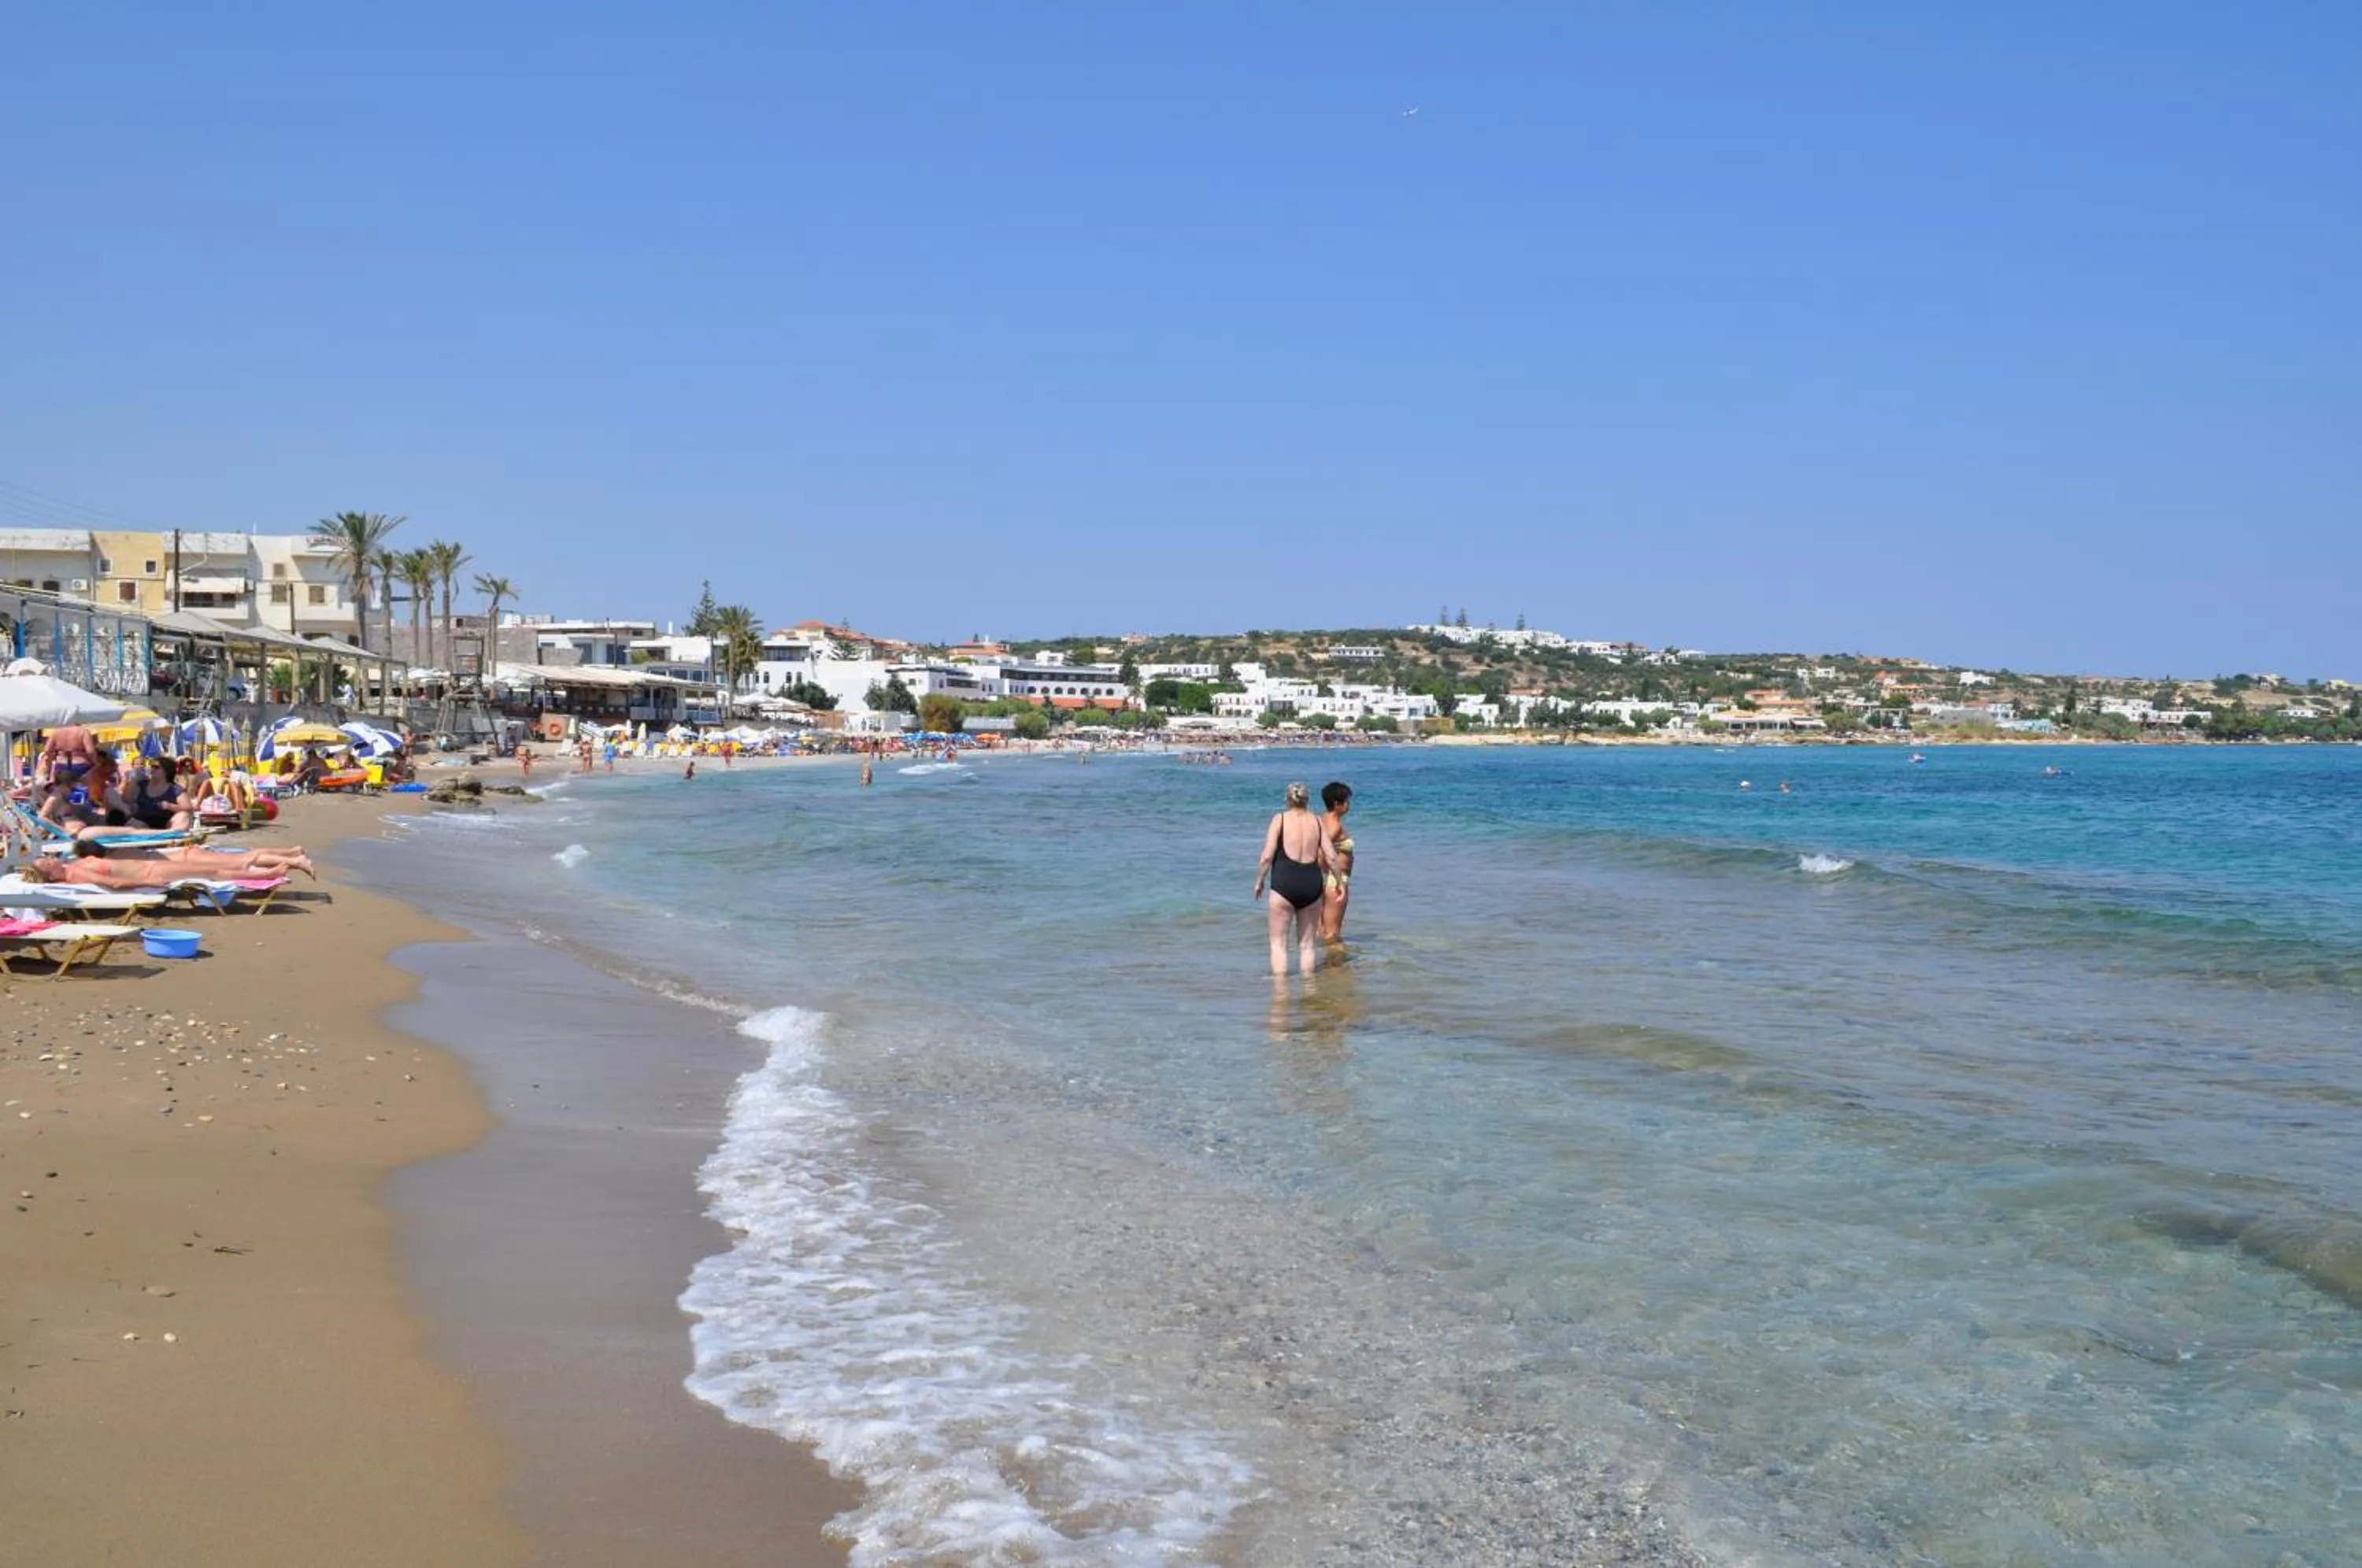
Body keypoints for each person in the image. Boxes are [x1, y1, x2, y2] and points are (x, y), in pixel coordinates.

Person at [1254, 782, 1336, 977]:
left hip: (1284, 883)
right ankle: (1309, 991)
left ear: (1287, 800)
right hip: (1311, 884)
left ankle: (1280, 996)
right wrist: (1339, 882)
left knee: (1278, 945)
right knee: (1307, 946)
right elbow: (1331, 856)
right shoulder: (1317, 821)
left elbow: (1267, 856)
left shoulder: (1279, 819)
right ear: (1307, 800)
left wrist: (1260, 881)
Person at [1318, 781, 1356, 942]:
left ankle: (1324, 964)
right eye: (1346, 801)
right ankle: (1335, 966)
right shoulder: (1335, 826)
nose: (1348, 804)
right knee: (1332, 932)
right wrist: (1331, 875)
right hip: (1335, 880)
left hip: (1325, 880)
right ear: (1336, 804)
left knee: (1322, 929)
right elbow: (1320, 851)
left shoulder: (1321, 820)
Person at [122, 756, 195, 830]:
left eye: (156, 767)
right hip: (142, 822)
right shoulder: (142, 784)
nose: (152, 769)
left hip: (167, 824)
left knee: (183, 816)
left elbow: (189, 809)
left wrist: (170, 806)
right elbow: (127, 800)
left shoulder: (175, 789)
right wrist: (135, 780)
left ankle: (167, 836)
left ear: (166, 771)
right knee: (133, 822)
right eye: (152, 766)